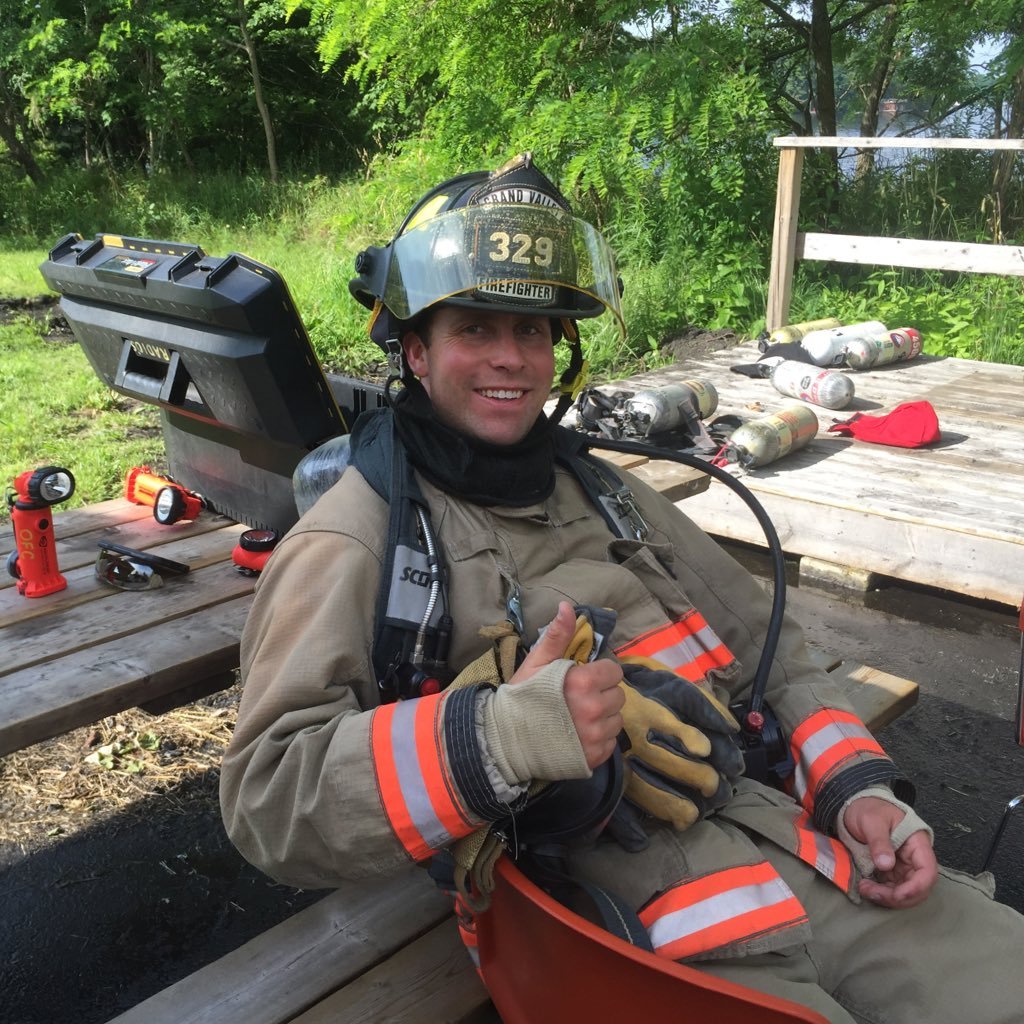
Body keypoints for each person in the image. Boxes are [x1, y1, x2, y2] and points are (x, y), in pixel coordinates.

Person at [220, 152, 1024, 1023]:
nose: (511, 360)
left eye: (533, 332)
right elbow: (269, 796)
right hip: (625, 937)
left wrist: (854, 789)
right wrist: (498, 737)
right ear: (414, 350)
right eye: (475, 330)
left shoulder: (604, 488)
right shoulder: (359, 533)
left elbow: (769, 646)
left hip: (810, 856)